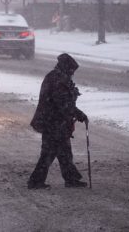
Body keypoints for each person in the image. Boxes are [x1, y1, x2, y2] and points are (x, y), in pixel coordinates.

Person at [27, 53, 89, 189]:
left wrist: (76, 113)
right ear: (66, 68)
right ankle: (36, 181)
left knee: (64, 152)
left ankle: (70, 179)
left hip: (55, 122)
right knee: (49, 153)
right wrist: (78, 114)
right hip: (52, 123)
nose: (72, 73)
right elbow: (63, 104)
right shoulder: (58, 80)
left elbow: (64, 103)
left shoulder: (57, 77)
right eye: (71, 70)